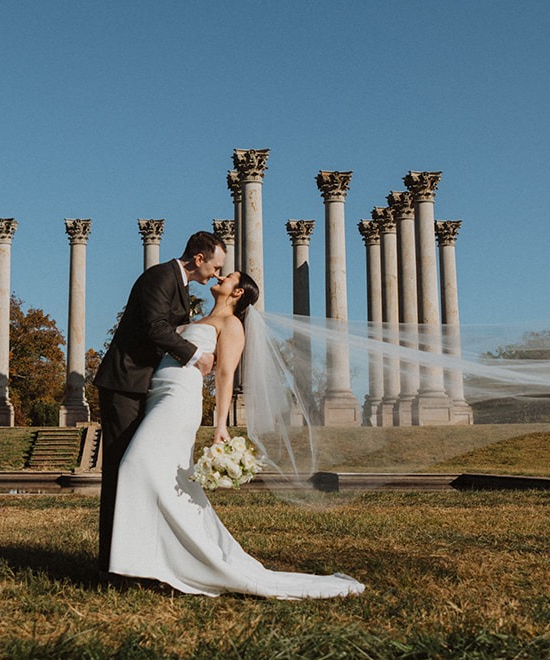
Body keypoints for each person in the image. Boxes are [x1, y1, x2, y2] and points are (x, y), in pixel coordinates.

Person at [108, 270, 366, 598]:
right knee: (164, 479)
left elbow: (225, 375)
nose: (220, 276)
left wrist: (220, 425)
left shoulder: (232, 325)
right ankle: (154, 562)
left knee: (135, 465)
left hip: (178, 401)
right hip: (158, 394)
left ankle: (153, 561)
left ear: (238, 292)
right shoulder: (198, 318)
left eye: (228, 276)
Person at [94, 230, 226, 575]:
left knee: (143, 471)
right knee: (121, 470)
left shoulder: (180, 285)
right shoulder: (160, 276)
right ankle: (111, 565)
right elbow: (155, 328)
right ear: (199, 258)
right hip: (124, 384)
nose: (217, 274)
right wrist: (196, 355)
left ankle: (141, 558)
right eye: (215, 267)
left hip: (148, 387)